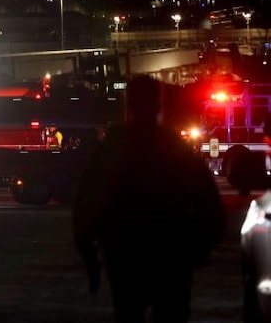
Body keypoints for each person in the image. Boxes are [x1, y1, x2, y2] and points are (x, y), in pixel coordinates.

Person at [72, 74, 226, 323]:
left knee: (128, 314)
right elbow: (211, 206)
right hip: (171, 258)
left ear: (128, 104)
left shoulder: (111, 148)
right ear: (159, 105)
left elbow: (86, 204)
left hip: (124, 256)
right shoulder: (175, 147)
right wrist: (198, 251)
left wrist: (91, 258)